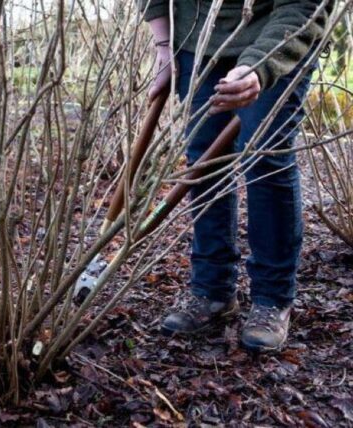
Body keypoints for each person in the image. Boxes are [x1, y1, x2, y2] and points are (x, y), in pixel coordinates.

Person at [139, 0, 333, 352]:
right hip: (196, 38)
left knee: (264, 157)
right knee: (204, 159)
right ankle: (211, 290)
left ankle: (272, 298)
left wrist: (260, 67)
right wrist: (165, 45)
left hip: (276, 31)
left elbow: (304, 6)